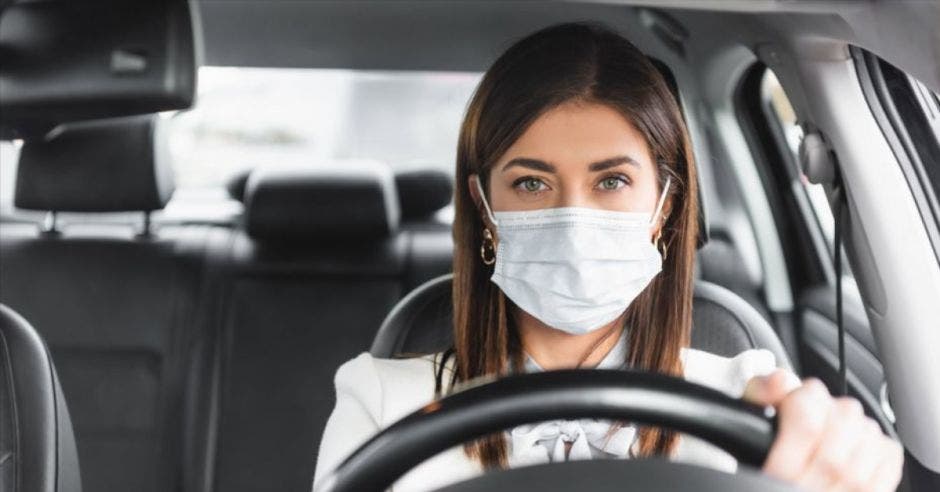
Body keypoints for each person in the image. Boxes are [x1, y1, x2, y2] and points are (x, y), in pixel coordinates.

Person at [313, 22, 903, 492]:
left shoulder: (747, 396)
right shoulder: (383, 402)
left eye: (612, 181)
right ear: (483, 206)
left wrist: (843, 464)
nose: (574, 219)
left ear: (667, 207)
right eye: (531, 184)